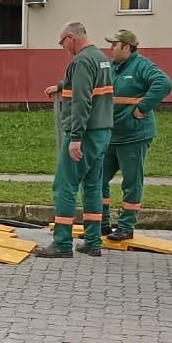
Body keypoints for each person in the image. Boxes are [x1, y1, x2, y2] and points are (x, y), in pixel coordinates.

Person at [38, 22, 113, 258]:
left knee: (65, 184)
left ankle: (61, 243)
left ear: (70, 37)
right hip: (102, 131)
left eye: (62, 43)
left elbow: (82, 100)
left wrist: (75, 137)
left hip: (85, 133)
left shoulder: (80, 61)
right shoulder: (100, 57)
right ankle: (92, 242)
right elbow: (88, 85)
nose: (63, 48)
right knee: (92, 186)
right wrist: (61, 86)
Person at [100, 29, 172, 241]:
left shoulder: (142, 65)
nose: (111, 49)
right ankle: (102, 224)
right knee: (97, 178)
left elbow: (164, 84)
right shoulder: (111, 67)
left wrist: (142, 108)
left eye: (115, 44)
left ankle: (126, 227)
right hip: (110, 134)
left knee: (131, 182)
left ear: (126, 47)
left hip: (134, 135)